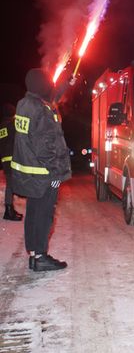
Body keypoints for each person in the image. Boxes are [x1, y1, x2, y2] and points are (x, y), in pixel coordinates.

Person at [11, 68, 72, 271]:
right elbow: (45, 146)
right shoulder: (40, 110)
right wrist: (56, 173)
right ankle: (40, 257)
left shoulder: (23, 104)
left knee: (33, 214)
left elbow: (50, 96)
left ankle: (34, 255)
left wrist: (64, 83)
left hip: (31, 174)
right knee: (44, 215)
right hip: (44, 174)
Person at [1, 103, 24, 221]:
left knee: (11, 184)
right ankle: (8, 211)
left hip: (5, 159)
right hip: (13, 159)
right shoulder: (12, 124)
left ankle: (10, 209)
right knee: (11, 185)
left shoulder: (2, 126)